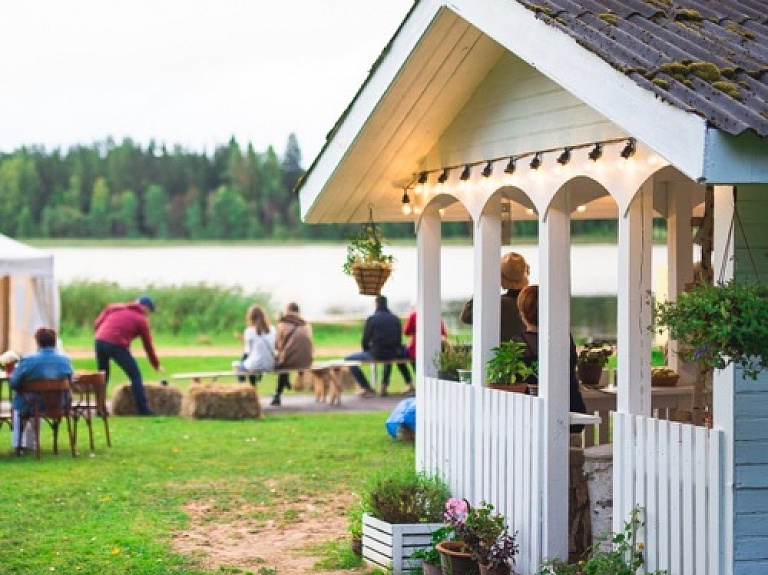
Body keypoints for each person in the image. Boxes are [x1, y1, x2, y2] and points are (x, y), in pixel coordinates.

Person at [510, 284, 587, 433]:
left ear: (523, 312)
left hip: (534, 416)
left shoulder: (518, 343)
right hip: (571, 408)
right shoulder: (565, 337)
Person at [9, 327, 74, 454]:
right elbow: (71, 380)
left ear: (38, 342)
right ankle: (31, 442)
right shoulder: (65, 360)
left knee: (23, 402)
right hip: (58, 404)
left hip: (33, 404)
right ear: (55, 342)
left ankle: (19, 443)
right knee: (37, 400)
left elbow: (14, 382)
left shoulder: (28, 360)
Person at [94, 295, 161, 416]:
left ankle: (100, 409)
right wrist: (156, 364)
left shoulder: (115, 308)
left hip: (99, 341)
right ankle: (143, 409)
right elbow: (148, 346)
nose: (148, 315)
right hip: (116, 344)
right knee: (135, 375)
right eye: (149, 311)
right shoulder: (141, 320)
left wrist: (102, 334)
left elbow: (97, 323)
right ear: (145, 308)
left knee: (103, 376)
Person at [345, 295, 412, 397]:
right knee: (389, 357)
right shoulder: (395, 319)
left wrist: (367, 350)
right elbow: (398, 340)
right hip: (393, 352)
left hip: (376, 353)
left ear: (376, 304)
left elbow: (365, 340)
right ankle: (384, 386)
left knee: (348, 359)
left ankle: (366, 387)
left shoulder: (372, 319)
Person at [460, 252, 530, 342]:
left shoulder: (496, 303)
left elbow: (466, 317)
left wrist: (484, 285)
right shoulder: (532, 301)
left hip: (501, 355)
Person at [271, 302, 314, 407]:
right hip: (307, 361)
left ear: (287, 311)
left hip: (289, 361)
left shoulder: (282, 324)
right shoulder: (306, 325)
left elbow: (277, 346)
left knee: (282, 362)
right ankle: (286, 381)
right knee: (288, 357)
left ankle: (277, 395)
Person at [403, 304, 448, 376]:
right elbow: (443, 333)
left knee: (418, 373)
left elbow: (406, 331)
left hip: (416, 350)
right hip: (434, 349)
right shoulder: (436, 315)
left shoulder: (414, 315)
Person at [235, 304, 276, 383]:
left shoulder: (249, 331)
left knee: (241, 368)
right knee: (251, 364)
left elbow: (247, 352)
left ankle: (243, 387)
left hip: (256, 365)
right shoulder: (273, 329)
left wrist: (241, 362)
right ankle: (253, 387)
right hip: (270, 364)